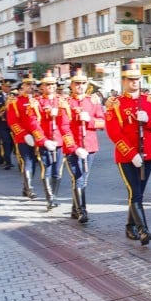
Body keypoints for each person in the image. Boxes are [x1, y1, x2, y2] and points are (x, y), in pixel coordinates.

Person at [104, 61, 151, 245]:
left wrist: (149, 121)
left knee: (139, 193)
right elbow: (113, 132)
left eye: (137, 79)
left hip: (148, 154)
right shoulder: (115, 103)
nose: (134, 82)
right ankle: (143, 230)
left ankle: (130, 226)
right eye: (130, 79)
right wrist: (131, 153)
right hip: (127, 156)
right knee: (134, 192)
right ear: (124, 81)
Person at [66, 69, 105, 223]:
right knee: (79, 178)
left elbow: (102, 122)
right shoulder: (66, 103)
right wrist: (75, 148)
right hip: (73, 146)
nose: (80, 86)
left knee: (83, 179)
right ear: (72, 85)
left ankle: (75, 208)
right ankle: (82, 210)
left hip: (89, 145)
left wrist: (89, 120)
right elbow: (64, 128)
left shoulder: (93, 101)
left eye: (83, 83)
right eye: (77, 83)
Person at [7, 74, 52, 200]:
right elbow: (12, 121)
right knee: (28, 161)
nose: (31, 87)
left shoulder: (38, 100)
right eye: (28, 85)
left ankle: (25, 187)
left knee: (35, 162)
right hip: (24, 137)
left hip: (38, 136)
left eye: (33, 84)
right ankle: (30, 188)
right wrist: (23, 134)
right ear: (22, 86)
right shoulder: (15, 102)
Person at [37, 71, 70, 210]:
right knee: (47, 169)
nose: (50, 87)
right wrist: (43, 140)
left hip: (59, 141)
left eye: (52, 84)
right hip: (45, 140)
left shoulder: (62, 101)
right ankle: (49, 197)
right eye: (47, 84)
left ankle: (54, 196)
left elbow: (67, 122)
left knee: (58, 171)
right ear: (42, 87)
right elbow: (34, 123)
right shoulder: (37, 102)